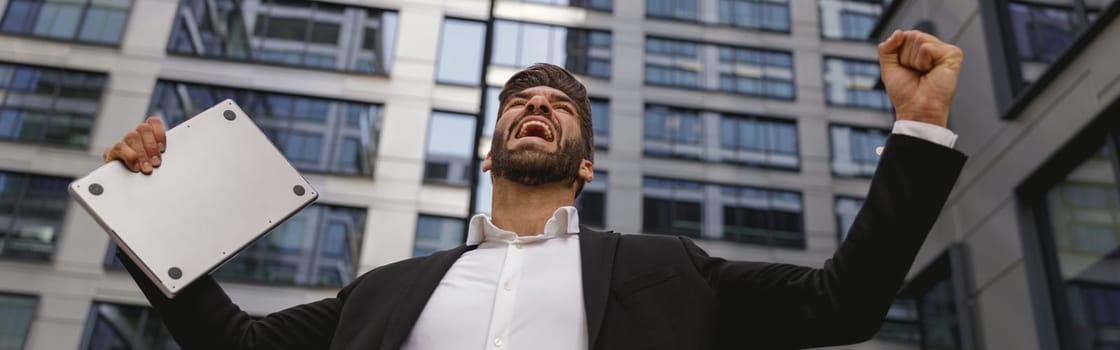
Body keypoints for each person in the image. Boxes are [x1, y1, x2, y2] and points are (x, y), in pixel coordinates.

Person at [104, 30, 966, 349]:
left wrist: (919, 126)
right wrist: (139, 198)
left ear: (585, 160)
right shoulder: (384, 293)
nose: (537, 107)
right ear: (490, 151)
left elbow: (842, 304)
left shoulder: (668, 269)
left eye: (557, 106)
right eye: (520, 101)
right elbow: (234, 343)